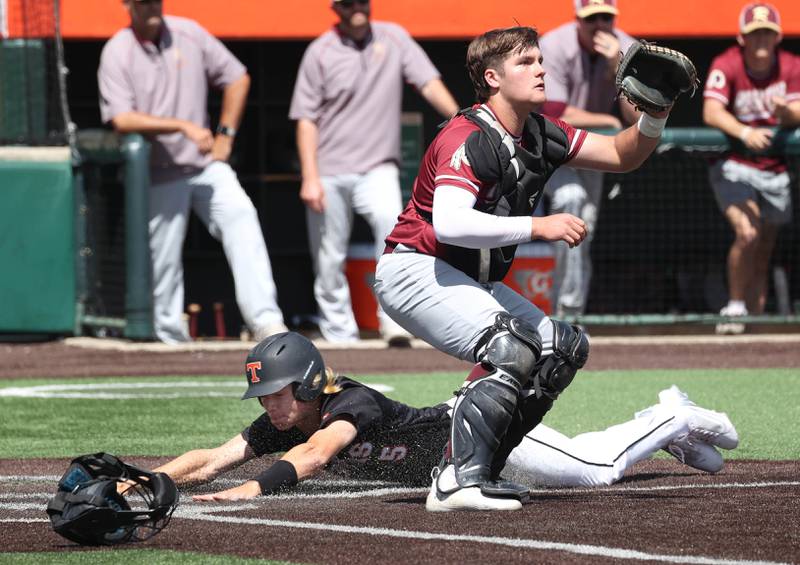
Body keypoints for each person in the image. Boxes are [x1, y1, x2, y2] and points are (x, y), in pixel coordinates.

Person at [373, 26, 689, 511]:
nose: (541, 68)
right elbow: (451, 222)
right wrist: (538, 227)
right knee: (511, 344)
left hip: (466, 277)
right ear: (492, 77)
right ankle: (456, 481)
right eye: (526, 62)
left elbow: (623, 155)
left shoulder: (542, 131)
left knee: (560, 347)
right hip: (415, 270)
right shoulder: (467, 135)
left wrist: (656, 114)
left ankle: (480, 466)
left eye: (540, 59)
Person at [149, 332, 738, 502]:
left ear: (306, 383)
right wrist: (150, 480)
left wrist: (247, 491)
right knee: (585, 456)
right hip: (465, 455)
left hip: (477, 430)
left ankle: (671, 413)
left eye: (278, 394)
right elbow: (211, 458)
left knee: (596, 470)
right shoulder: (284, 421)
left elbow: (316, 456)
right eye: (265, 398)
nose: (270, 406)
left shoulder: (351, 401)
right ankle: (664, 434)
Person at [98, 0, 287, 344]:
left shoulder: (188, 33)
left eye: (155, 0)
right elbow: (121, 118)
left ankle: (267, 323)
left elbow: (237, 77)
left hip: (204, 166)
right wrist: (182, 126)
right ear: (127, 5)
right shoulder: (118, 50)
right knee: (163, 255)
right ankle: (169, 335)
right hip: (157, 173)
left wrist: (225, 135)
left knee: (242, 217)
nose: (151, 6)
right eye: (142, 2)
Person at [288, 0, 460, 345]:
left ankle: (394, 322)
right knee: (329, 254)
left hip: (377, 166)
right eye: (348, 3)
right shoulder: (319, 51)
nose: (357, 8)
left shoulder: (393, 37)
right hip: (329, 169)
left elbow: (428, 82)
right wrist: (309, 176)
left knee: (394, 239)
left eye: (362, 1)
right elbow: (306, 118)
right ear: (336, 8)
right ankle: (340, 333)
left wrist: (462, 120)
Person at [703, 2, 800, 334]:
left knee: (763, 252)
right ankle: (734, 305)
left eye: (767, 33)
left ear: (778, 37)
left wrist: (784, 112)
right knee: (748, 233)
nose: (761, 40)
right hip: (735, 164)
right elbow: (711, 112)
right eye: (755, 33)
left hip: (774, 169)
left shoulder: (791, 65)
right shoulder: (726, 63)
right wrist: (744, 132)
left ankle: (752, 335)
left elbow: (798, 112)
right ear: (742, 37)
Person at [538, 0, 639, 318]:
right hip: (549, 145)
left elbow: (637, 118)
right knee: (572, 199)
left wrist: (617, 69)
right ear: (577, 19)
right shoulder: (554, 44)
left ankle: (571, 314)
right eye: (591, 18)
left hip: (591, 149)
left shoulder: (627, 47)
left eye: (605, 17)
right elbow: (551, 112)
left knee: (585, 230)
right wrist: (604, 121)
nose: (599, 25)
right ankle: (565, 312)